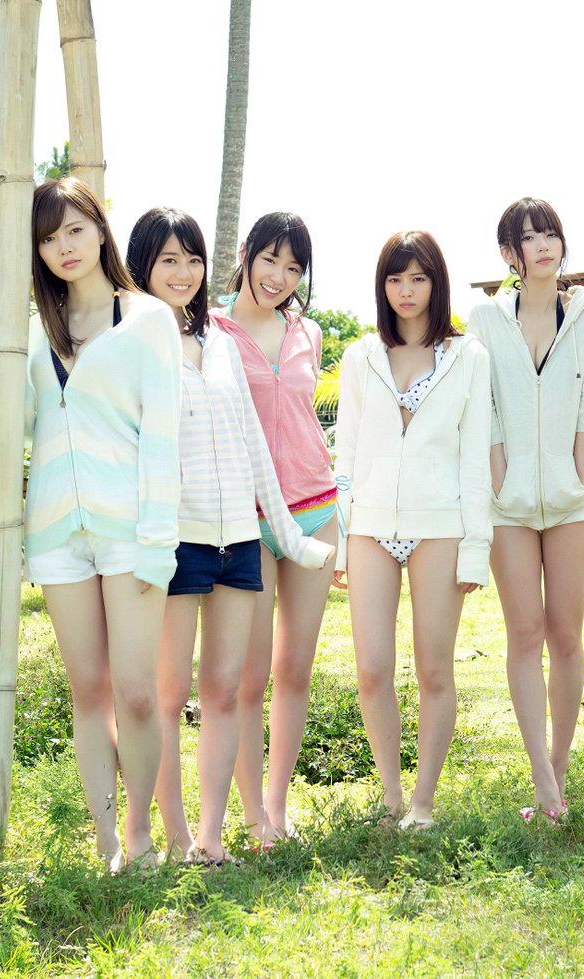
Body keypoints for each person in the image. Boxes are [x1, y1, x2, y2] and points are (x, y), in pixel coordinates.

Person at [125, 207, 333, 866]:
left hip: (256, 526)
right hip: (187, 535)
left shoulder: (225, 339)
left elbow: (259, 439)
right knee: (182, 691)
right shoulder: (143, 339)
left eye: (192, 260)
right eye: (169, 260)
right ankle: (182, 832)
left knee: (234, 686)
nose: (183, 272)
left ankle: (224, 832)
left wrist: (296, 534)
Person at [25, 177, 181, 871]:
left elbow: (163, 437)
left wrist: (158, 542)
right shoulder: (33, 331)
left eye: (75, 229)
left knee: (137, 692)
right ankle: (107, 841)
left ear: (99, 230)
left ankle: (141, 835)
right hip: (56, 533)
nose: (64, 246)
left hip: (131, 533)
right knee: (87, 691)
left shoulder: (147, 318)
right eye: (48, 237)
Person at [333, 231, 491, 829]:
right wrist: (343, 542)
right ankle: (392, 796)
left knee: (434, 669)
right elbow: (346, 455)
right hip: (369, 526)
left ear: (436, 283)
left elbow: (474, 459)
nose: (406, 290)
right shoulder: (361, 356)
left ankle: (423, 803)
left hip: (440, 526)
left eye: (418, 278)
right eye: (395, 279)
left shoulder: (467, 357)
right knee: (371, 669)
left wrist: (475, 549)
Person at [467, 198, 584, 822]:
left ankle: (561, 764)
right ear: (508, 254)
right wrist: (498, 463)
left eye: (551, 233)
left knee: (565, 633)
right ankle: (542, 781)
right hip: (509, 504)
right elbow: (483, 398)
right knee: (524, 634)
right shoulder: (485, 317)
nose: (544, 245)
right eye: (529, 237)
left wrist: (582, 457)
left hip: (578, 500)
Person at [215, 212, 339, 846]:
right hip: (249, 516)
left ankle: (278, 806)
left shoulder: (307, 332)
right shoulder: (210, 331)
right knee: (250, 674)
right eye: (270, 260)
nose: (279, 277)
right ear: (246, 254)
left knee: (296, 669)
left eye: (293, 268)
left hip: (316, 507)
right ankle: (250, 815)